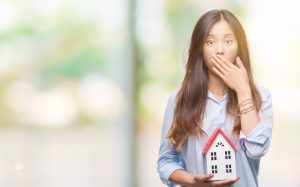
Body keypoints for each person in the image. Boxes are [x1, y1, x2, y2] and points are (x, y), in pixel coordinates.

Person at [157, 9, 273, 187]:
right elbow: (166, 161)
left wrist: (243, 90)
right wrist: (190, 180)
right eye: (210, 42)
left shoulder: (260, 96)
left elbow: (256, 150)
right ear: (200, 49)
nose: (220, 50)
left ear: (239, 47)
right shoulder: (179, 100)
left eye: (228, 41)